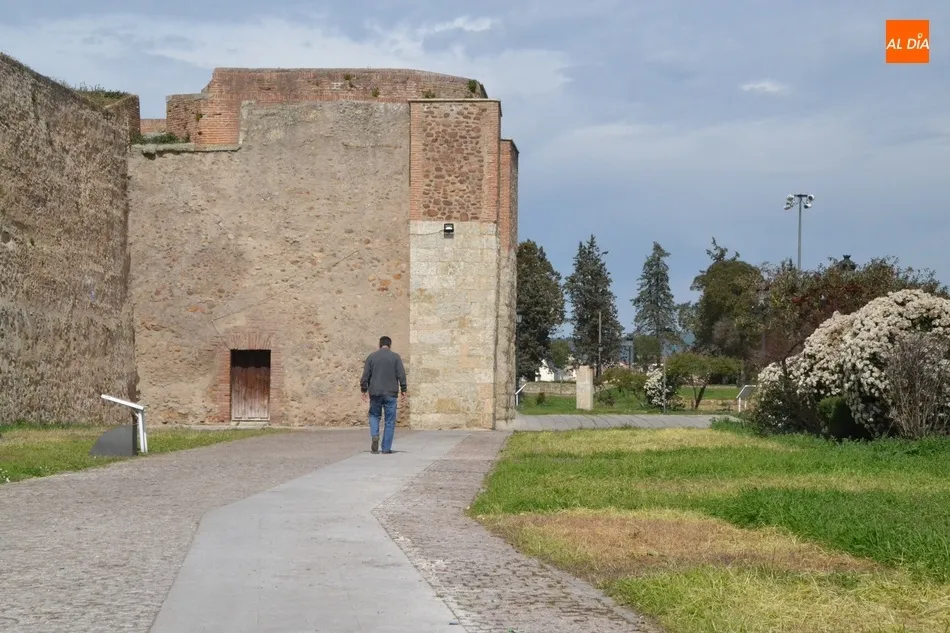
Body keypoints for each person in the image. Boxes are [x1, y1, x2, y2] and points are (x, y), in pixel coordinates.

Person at [359, 336, 407, 454]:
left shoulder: (372, 357)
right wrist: (404, 388)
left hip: (375, 392)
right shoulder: (395, 357)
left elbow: (366, 375)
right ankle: (386, 448)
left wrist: (364, 389)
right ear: (390, 345)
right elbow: (401, 374)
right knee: (390, 421)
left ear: (379, 344)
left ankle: (375, 435)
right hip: (391, 393)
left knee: (374, 415)